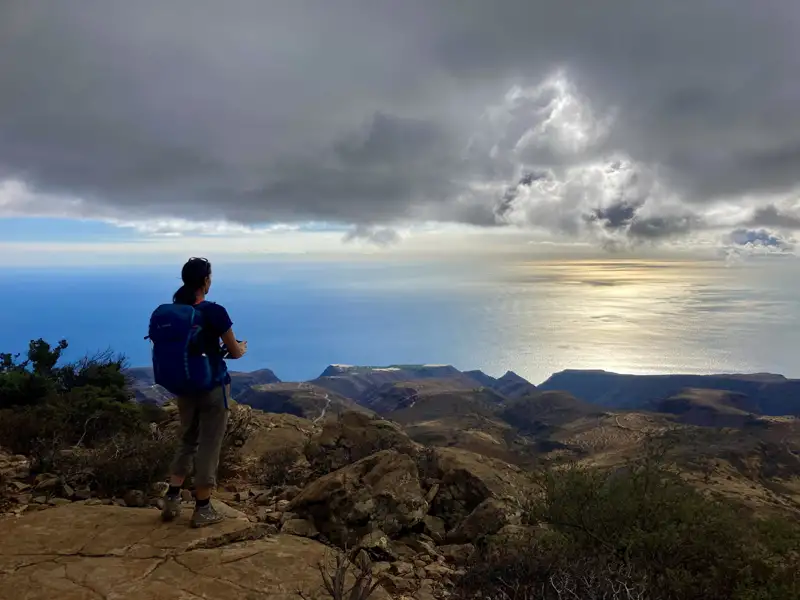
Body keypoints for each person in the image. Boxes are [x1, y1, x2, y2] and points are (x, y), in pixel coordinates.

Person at [160, 257, 248, 527]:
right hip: (212, 386)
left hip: (184, 385)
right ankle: (203, 508)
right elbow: (234, 351)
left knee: (187, 439)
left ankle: (172, 498)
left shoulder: (174, 312)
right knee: (209, 443)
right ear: (205, 281)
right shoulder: (214, 311)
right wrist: (241, 348)